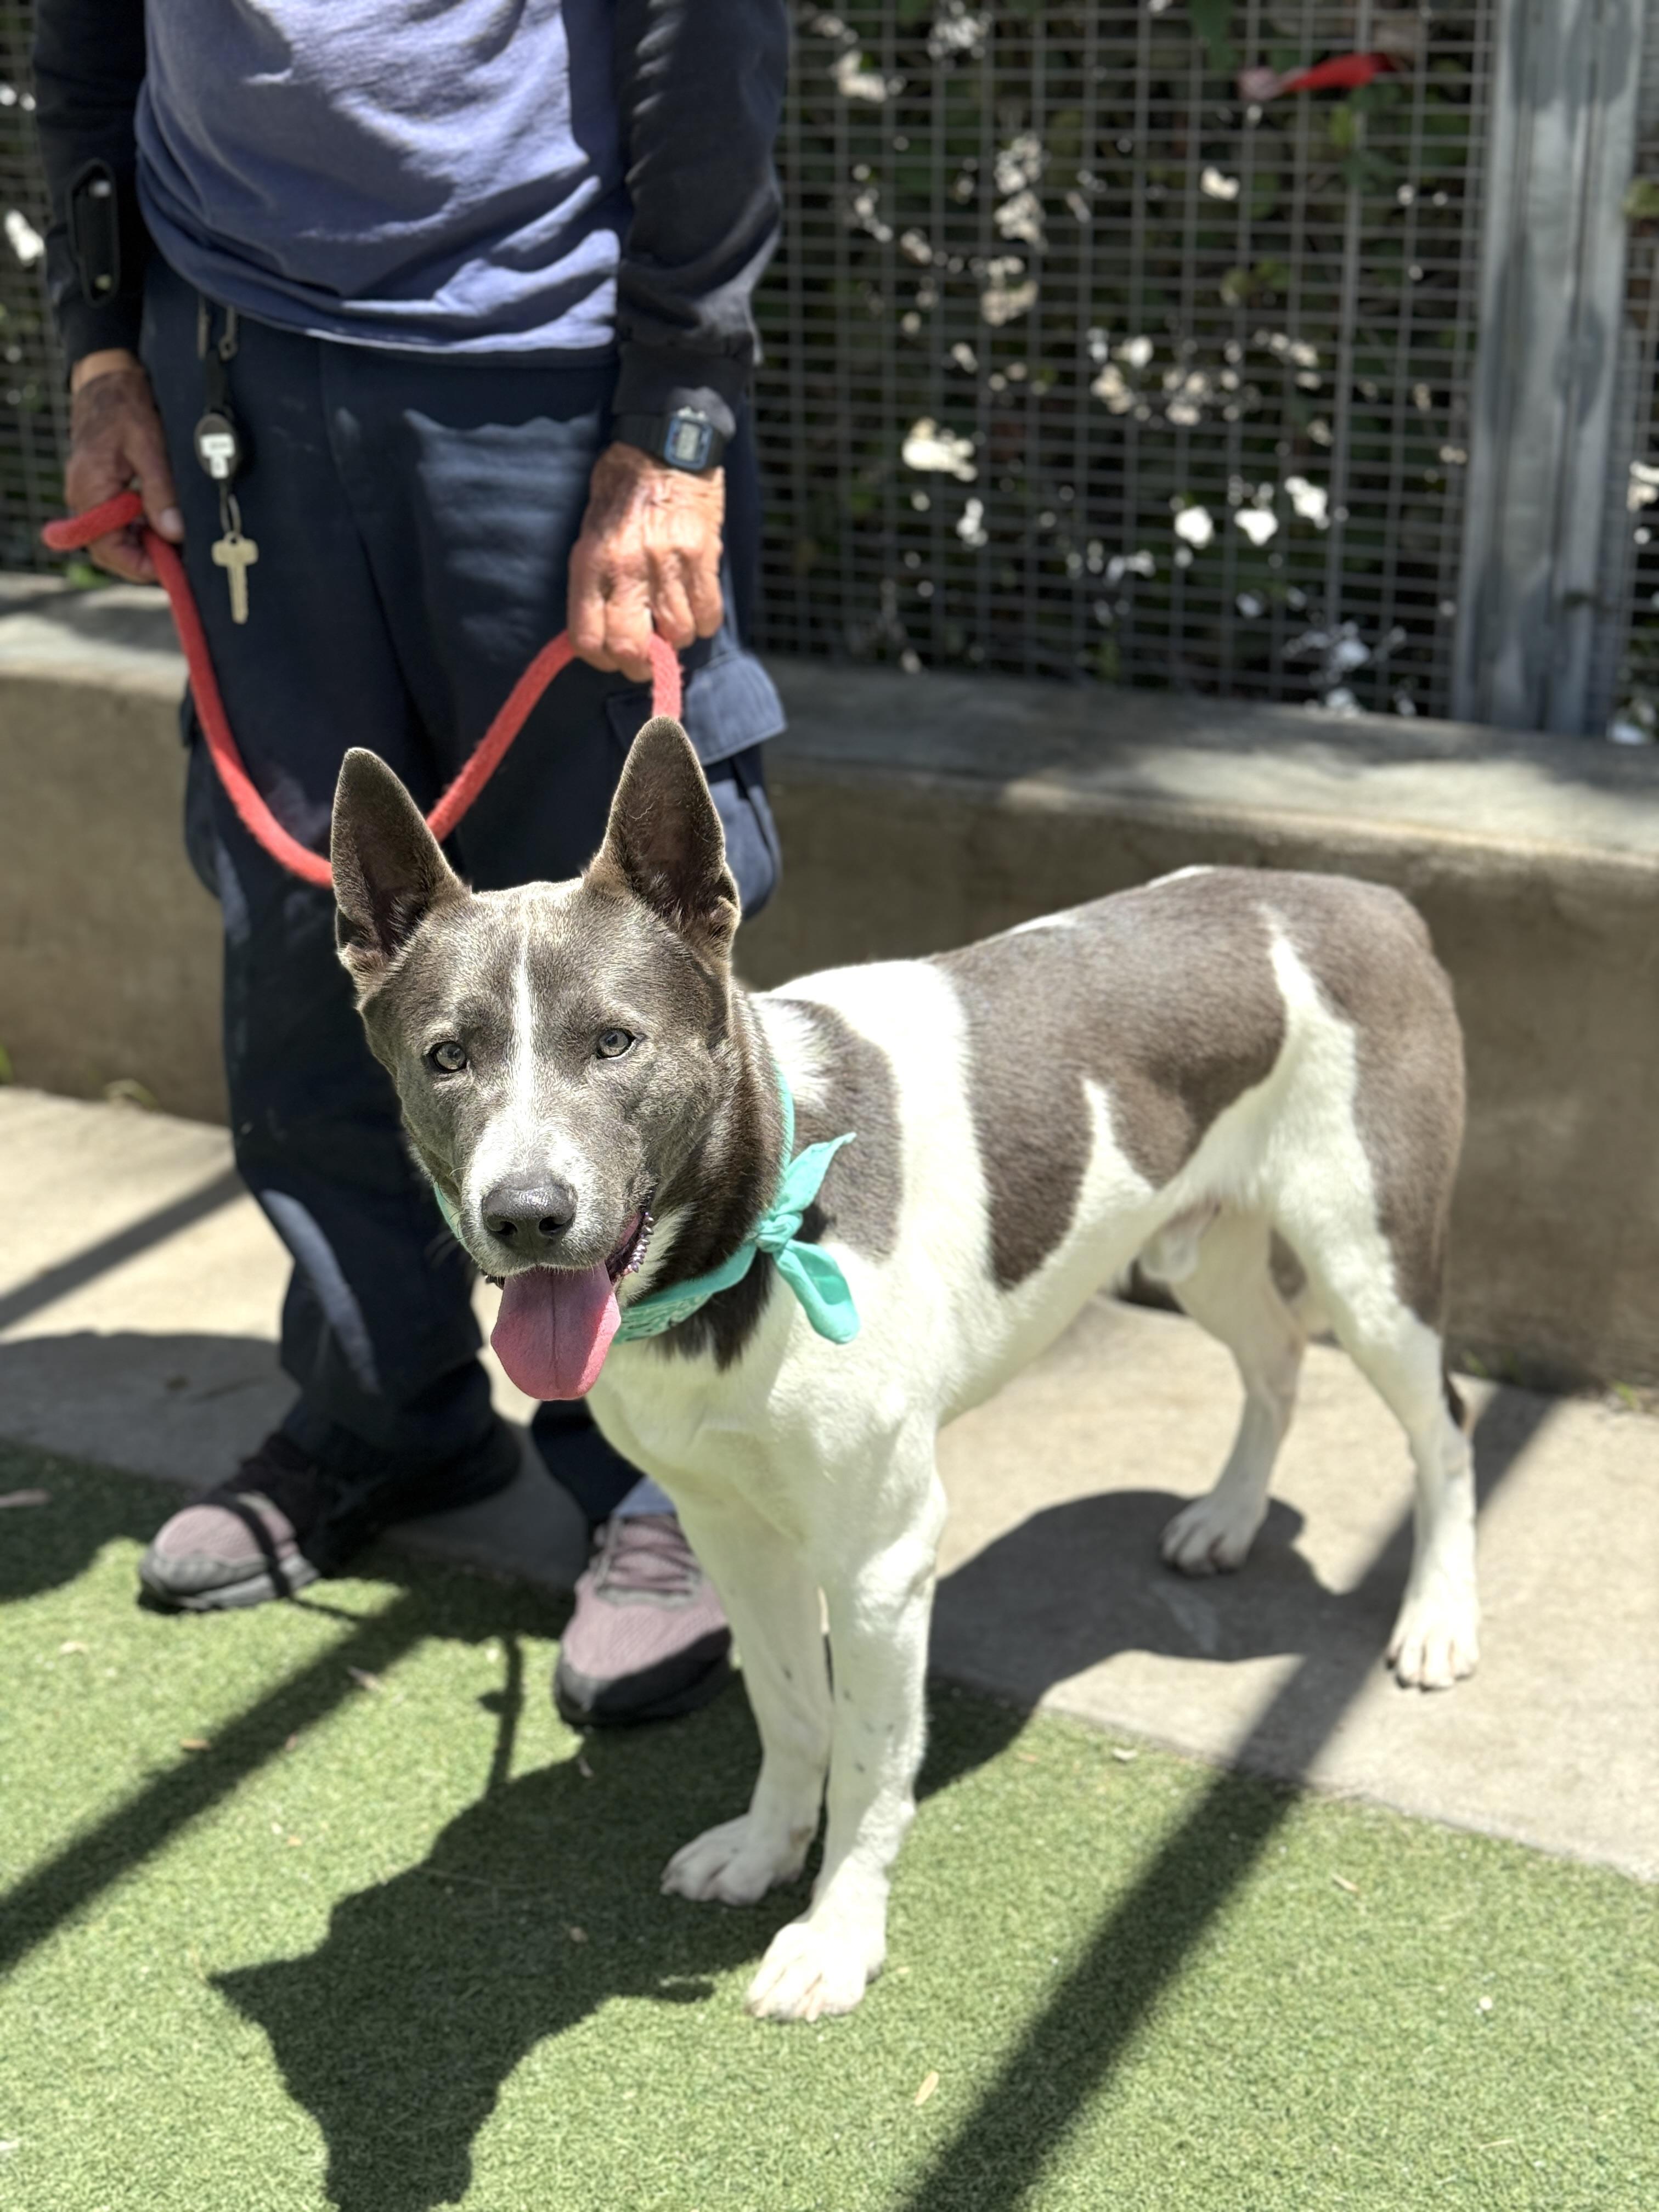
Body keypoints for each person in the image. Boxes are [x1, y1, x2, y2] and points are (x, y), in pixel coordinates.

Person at [33, 0, 791, 1725]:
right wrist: (102, 348)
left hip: (539, 350)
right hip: (228, 355)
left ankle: (669, 1478)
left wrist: (677, 421)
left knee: (617, 978)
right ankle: (388, 1405)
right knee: (328, 936)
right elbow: (83, 37)